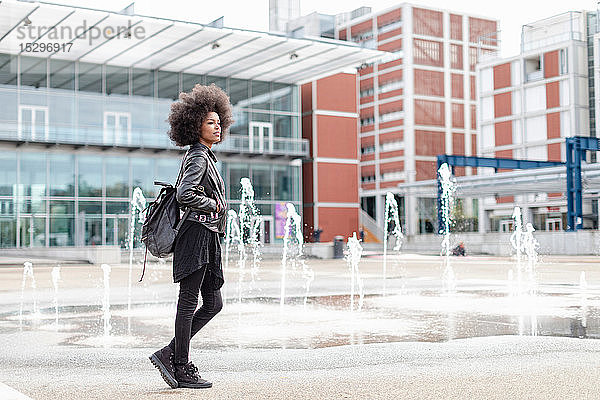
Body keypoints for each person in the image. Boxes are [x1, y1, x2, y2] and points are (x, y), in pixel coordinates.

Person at [149, 84, 233, 389]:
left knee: (213, 303)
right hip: (196, 234)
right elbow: (185, 194)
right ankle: (180, 366)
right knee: (188, 302)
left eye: (219, 121)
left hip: (207, 235)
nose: (217, 126)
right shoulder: (198, 156)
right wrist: (215, 204)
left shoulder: (206, 157)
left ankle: (170, 353)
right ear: (194, 125)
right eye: (210, 122)